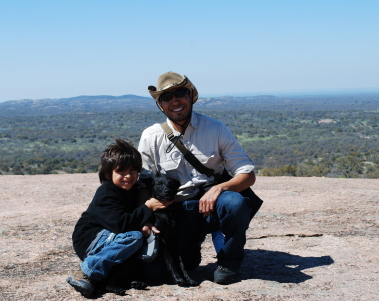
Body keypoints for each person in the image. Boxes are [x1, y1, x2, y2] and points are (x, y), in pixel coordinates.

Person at [138, 72, 256, 285]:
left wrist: (220, 188)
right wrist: (146, 213)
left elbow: (247, 175)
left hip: (211, 206)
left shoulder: (215, 129)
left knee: (235, 202)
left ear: (191, 95)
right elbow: (142, 183)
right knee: (183, 266)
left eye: (180, 93)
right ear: (160, 105)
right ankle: (193, 243)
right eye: (166, 97)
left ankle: (229, 260)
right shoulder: (151, 137)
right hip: (176, 213)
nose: (175, 100)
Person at [67, 138, 170, 297]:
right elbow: (121, 224)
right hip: (90, 238)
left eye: (132, 171)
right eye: (121, 171)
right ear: (108, 173)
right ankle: (86, 271)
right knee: (133, 237)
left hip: (110, 237)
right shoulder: (107, 193)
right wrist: (148, 208)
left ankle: (105, 281)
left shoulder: (131, 190)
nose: (128, 176)